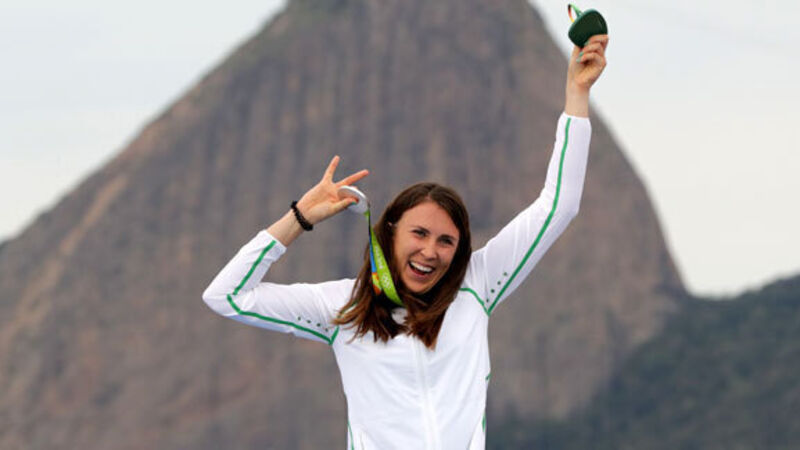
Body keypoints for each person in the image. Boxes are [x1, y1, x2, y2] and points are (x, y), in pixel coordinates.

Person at [203, 35, 609, 450]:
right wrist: (299, 217)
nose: (430, 251)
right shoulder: (342, 308)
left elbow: (559, 206)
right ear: (390, 231)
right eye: (419, 233)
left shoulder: (479, 283)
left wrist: (577, 93)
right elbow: (226, 296)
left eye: (446, 241)